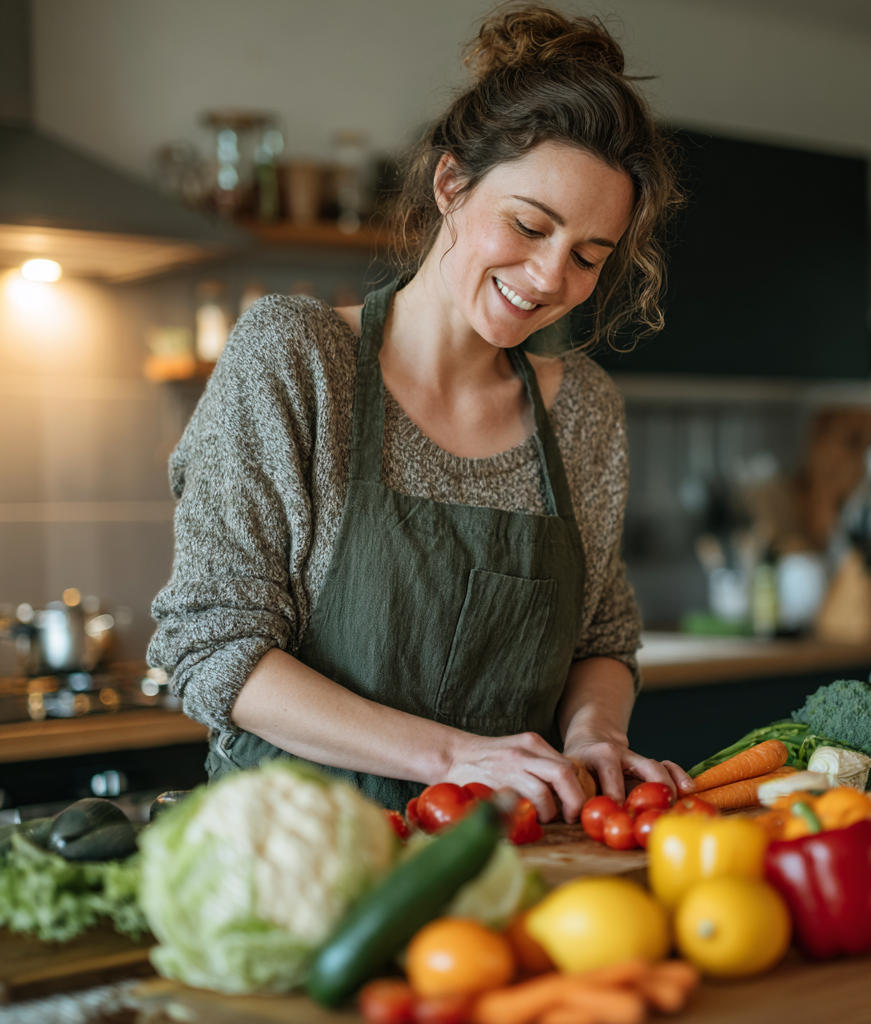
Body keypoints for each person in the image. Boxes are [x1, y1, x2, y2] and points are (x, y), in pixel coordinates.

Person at [149, 4, 692, 824]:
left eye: (588, 256)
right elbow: (215, 652)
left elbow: (600, 640)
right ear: (450, 185)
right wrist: (454, 756)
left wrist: (594, 736)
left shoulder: (584, 408)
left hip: (508, 861)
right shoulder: (297, 358)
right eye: (528, 225)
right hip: (300, 857)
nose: (549, 279)